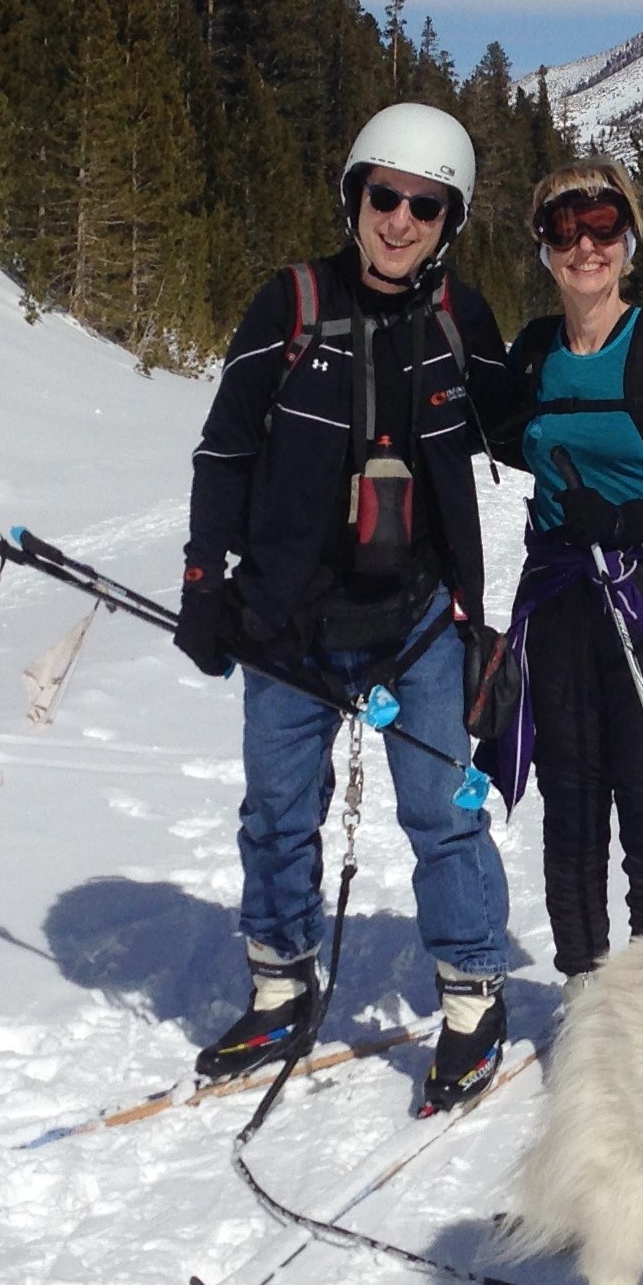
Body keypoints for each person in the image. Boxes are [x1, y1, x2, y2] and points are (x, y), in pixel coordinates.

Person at [174, 103, 526, 1116]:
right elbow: (225, 449)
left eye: (426, 204)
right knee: (278, 810)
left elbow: (525, 427)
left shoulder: (461, 317)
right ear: (354, 194)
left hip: (418, 616)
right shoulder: (288, 305)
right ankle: (281, 984)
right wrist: (207, 578)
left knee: (438, 810)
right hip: (287, 622)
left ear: (449, 219)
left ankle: (471, 992)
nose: (401, 219)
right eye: (386, 195)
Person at [490, 159, 643, 979]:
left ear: (628, 240)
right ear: (544, 247)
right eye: (566, 228)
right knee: (570, 805)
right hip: (563, 589)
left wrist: (636, 517)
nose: (586, 246)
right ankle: (588, 1000)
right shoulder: (532, 354)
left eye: (603, 226)